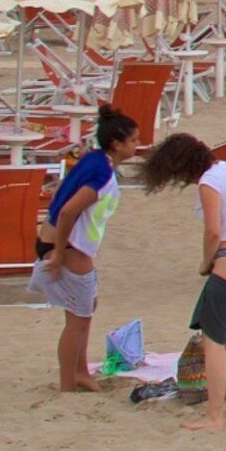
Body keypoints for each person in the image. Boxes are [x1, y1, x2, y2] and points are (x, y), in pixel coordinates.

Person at [142, 132, 226, 428]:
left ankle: (214, 415)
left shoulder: (210, 182)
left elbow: (213, 232)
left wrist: (206, 262)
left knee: (214, 342)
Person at [34, 108, 137, 390]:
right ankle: (68, 383)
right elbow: (68, 211)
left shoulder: (94, 158)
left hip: (61, 239)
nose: (136, 146)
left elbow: (61, 195)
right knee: (77, 318)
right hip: (65, 244)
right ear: (117, 144)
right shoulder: (101, 173)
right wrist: (57, 252)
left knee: (86, 307)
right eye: (133, 141)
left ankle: (80, 372)